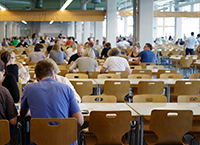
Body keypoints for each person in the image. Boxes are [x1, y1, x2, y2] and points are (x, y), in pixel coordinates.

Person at [20, 59, 83, 145]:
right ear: (53, 74)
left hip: (39, 141)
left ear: (37, 78)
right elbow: (80, 121)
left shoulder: (29, 88)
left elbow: (23, 114)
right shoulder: (66, 88)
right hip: (64, 140)